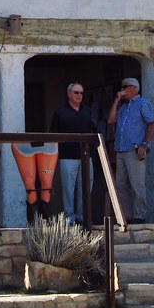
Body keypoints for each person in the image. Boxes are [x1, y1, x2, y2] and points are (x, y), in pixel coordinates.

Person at [107, 77, 154, 225]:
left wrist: (144, 145)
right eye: (121, 87)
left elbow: (151, 123)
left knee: (137, 184)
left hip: (135, 149)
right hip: (121, 149)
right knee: (121, 184)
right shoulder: (122, 107)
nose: (122, 90)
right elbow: (110, 120)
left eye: (125, 87)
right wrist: (116, 101)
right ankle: (126, 216)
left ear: (134, 88)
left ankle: (139, 216)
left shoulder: (143, 103)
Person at [50, 82, 97, 225]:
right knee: (68, 188)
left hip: (85, 156)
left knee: (86, 187)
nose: (79, 95)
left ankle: (82, 216)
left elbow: (93, 131)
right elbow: (53, 135)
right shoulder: (60, 112)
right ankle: (69, 217)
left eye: (81, 93)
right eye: (76, 92)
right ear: (69, 93)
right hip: (67, 156)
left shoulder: (87, 111)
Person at [11, 136, 59, 223]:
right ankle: (39, 221)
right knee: (36, 185)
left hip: (30, 143)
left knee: (42, 186)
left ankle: (38, 222)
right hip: (40, 143)